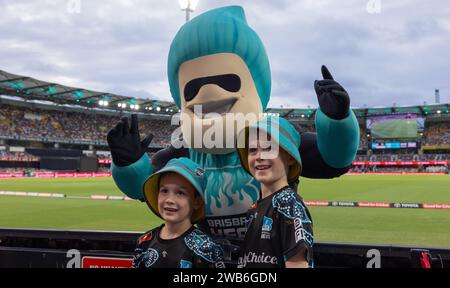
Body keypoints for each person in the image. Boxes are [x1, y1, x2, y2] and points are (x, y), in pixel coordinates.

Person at [236, 116, 314, 268]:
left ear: (290, 157)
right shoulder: (254, 209)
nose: (259, 156)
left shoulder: (289, 206)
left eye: (268, 148)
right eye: (252, 150)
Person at [133, 157, 225, 268]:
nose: (169, 200)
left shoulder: (206, 248)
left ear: (197, 202)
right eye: (164, 191)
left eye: (180, 193)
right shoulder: (144, 241)